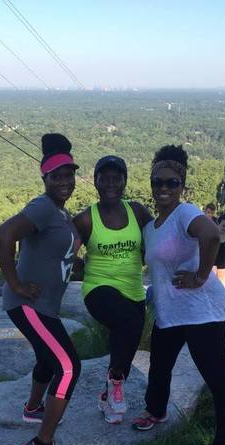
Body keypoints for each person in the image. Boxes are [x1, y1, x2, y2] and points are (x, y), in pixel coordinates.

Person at [133, 144, 225, 445]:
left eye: (172, 182)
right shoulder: (152, 226)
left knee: (218, 382)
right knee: (159, 366)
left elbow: (211, 235)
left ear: (182, 184)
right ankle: (156, 411)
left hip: (201, 313)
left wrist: (200, 275)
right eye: (157, 182)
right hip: (170, 312)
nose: (163, 188)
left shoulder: (185, 213)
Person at [0, 133, 81, 445]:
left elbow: (57, 254)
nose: (64, 181)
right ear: (44, 178)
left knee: (47, 358)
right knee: (69, 367)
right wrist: (14, 282)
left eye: (69, 175)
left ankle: (33, 408)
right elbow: (4, 234)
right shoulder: (43, 206)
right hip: (29, 304)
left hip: (44, 306)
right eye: (57, 176)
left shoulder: (59, 212)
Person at [73, 156, 152, 424]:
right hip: (98, 287)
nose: (110, 183)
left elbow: (157, 239)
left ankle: (110, 393)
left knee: (128, 340)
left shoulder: (137, 212)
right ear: (95, 182)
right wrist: (78, 267)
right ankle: (116, 380)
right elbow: (65, 251)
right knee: (127, 322)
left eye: (116, 178)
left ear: (124, 181)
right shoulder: (86, 218)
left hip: (134, 290)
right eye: (104, 178)